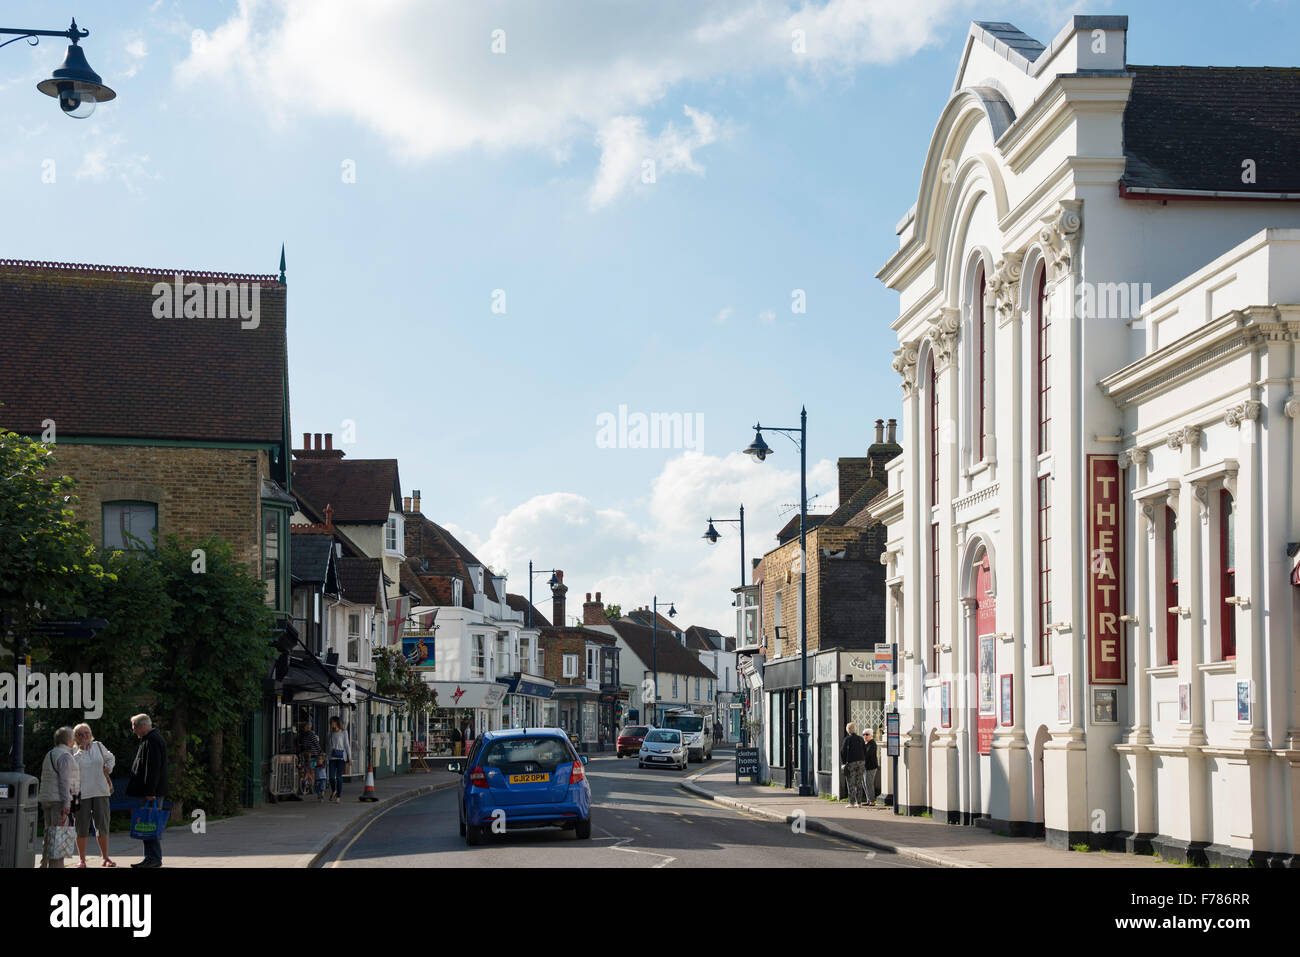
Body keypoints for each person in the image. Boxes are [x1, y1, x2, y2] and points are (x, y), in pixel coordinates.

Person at [126, 713, 168, 868]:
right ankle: (149, 858)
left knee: (150, 824)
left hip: (152, 793)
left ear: (142, 726)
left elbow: (153, 769)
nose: (133, 731)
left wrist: (150, 792)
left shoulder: (153, 740)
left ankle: (154, 858)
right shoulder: (150, 739)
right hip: (151, 791)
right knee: (147, 823)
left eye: (134, 727)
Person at [72, 723, 116, 868]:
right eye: (81, 734)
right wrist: (81, 750)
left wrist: (109, 767)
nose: (85, 736)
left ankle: (105, 858)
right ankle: (82, 860)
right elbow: (71, 768)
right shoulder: (72, 751)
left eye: (87, 733)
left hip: (100, 791)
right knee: (81, 827)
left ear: (91, 734)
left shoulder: (98, 746)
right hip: (79, 794)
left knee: (102, 825)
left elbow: (110, 757)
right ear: (76, 737)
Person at [37, 727, 79, 868]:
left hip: (46, 798)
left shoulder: (50, 753)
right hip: (58, 801)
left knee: (49, 833)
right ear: (68, 740)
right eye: (73, 738)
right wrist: (67, 803)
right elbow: (64, 782)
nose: (74, 741)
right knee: (58, 837)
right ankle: (56, 866)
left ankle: (44, 864)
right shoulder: (65, 756)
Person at [840, 722, 868, 808]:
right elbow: (864, 750)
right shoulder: (860, 739)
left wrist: (844, 762)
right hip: (861, 762)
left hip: (851, 763)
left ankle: (851, 802)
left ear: (848, 730)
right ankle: (859, 803)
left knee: (851, 783)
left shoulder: (847, 739)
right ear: (855, 729)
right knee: (859, 782)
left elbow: (843, 752)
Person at [326, 716, 351, 803]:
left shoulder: (344, 732)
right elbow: (328, 746)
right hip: (332, 758)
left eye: (332, 722)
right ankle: (334, 791)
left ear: (336, 722)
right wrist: (326, 757)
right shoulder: (330, 733)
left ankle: (338, 796)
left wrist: (349, 758)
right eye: (330, 722)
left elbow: (347, 746)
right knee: (331, 778)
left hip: (341, 758)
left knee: (339, 778)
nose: (331, 724)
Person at [862, 728, 880, 806]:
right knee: (864, 784)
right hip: (865, 767)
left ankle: (872, 801)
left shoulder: (872, 743)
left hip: (871, 767)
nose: (865, 736)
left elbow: (867, 754)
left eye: (867, 734)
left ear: (871, 735)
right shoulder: (865, 744)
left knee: (869, 784)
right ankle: (868, 800)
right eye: (864, 734)